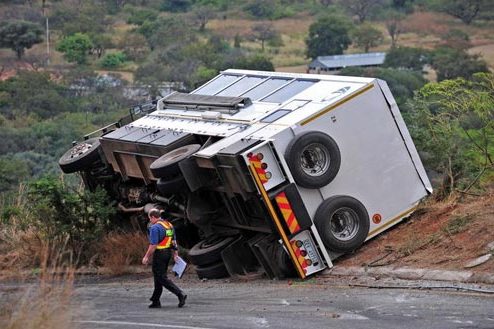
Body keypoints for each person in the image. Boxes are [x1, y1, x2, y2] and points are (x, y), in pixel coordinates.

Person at [142, 208, 187, 308]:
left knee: (161, 277)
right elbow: (174, 242)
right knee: (158, 277)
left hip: (159, 254)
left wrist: (146, 257)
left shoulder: (155, 228)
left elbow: (153, 245)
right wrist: (175, 254)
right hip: (167, 254)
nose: (150, 220)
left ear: (153, 217)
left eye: (150, 218)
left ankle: (180, 294)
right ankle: (155, 301)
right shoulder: (169, 225)